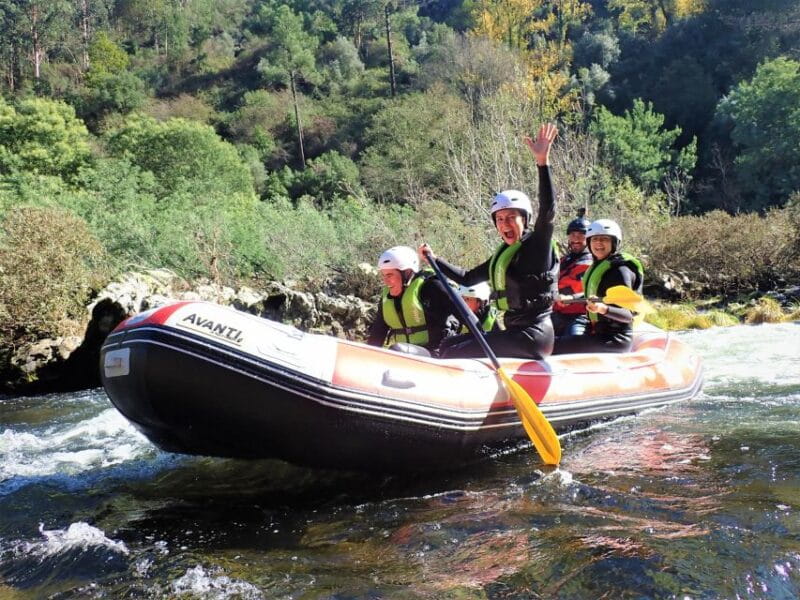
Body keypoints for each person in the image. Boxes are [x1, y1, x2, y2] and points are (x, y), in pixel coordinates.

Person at [420, 123, 559, 360]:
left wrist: (542, 163)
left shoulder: (537, 246)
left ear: (525, 219)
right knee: (448, 344)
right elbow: (467, 278)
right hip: (515, 331)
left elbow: (548, 212)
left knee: (455, 352)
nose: (505, 224)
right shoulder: (503, 255)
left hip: (534, 335)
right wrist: (434, 259)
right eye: (500, 219)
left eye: (511, 217)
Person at [552, 219, 644, 354]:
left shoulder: (621, 270)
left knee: (553, 346)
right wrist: (571, 298)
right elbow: (595, 296)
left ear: (614, 242)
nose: (598, 243)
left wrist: (603, 309)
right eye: (594, 239)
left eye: (604, 239)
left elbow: (628, 314)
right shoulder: (599, 266)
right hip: (597, 332)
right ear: (589, 243)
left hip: (614, 339)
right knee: (551, 340)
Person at [367, 245, 459, 356]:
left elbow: (466, 317)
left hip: (437, 354)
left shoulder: (432, 287)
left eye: (390, 275)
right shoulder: (388, 297)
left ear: (407, 272)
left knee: (396, 350)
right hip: (407, 355)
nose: (386, 282)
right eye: (384, 275)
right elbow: (377, 334)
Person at [551, 209, 593, 337]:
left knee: (574, 342)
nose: (575, 239)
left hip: (580, 316)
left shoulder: (593, 263)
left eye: (581, 235)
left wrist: (569, 298)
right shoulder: (564, 260)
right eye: (572, 235)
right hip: (556, 314)